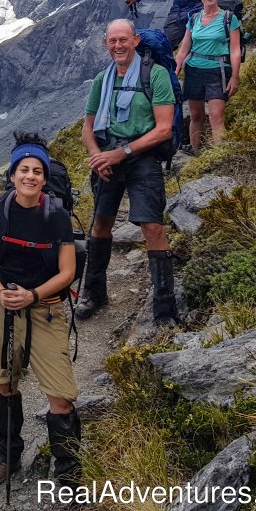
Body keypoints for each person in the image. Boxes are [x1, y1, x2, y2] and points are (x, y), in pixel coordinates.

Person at [0, 132, 81, 489]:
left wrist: (32, 295)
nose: (30, 176)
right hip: (2, 305)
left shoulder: (57, 216)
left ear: (45, 178)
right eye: (24, 169)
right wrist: (1, 292)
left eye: (37, 171)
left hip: (46, 308)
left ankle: (68, 473)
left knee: (61, 397)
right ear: (13, 173)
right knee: (5, 383)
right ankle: (7, 457)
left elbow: (68, 272)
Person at [78, 19, 178, 322]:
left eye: (124, 40)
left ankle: (165, 308)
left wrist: (121, 153)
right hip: (109, 156)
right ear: (106, 44)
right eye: (113, 41)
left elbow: (163, 129)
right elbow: (87, 127)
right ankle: (95, 294)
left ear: (135, 41)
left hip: (142, 157)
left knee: (152, 227)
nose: (118, 46)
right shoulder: (102, 80)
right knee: (100, 225)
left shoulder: (156, 75)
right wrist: (98, 157)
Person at [175, 0, 241, 152]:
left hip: (218, 70)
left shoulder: (229, 18)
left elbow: (235, 50)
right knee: (195, 115)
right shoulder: (194, 19)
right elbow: (183, 49)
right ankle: (195, 151)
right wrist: (176, 68)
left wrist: (235, 76)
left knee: (215, 116)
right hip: (194, 70)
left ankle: (219, 155)